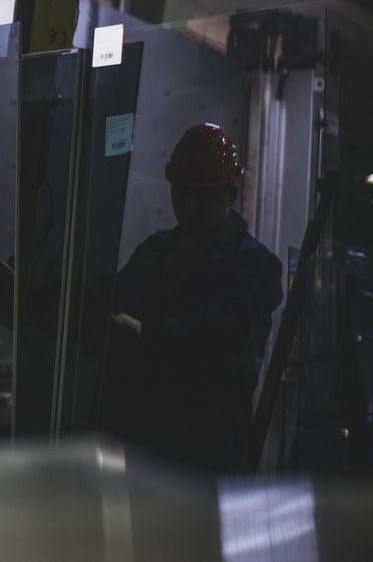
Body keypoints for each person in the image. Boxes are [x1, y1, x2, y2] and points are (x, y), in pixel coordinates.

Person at [103, 123, 283, 471]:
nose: (188, 209)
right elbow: (110, 296)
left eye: (203, 198)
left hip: (208, 448)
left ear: (230, 194)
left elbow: (219, 329)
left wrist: (145, 334)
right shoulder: (156, 250)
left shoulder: (256, 265)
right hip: (145, 438)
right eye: (181, 195)